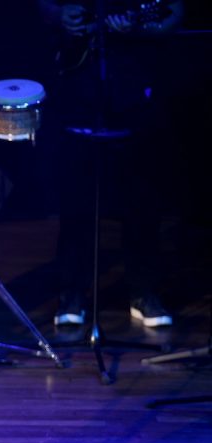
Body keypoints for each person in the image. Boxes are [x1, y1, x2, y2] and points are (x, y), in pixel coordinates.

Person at [37, 0, 184, 328]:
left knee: (142, 200)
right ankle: (72, 291)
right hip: (77, 86)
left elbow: (172, 10)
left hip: (133, 85)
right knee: (77, 201)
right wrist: (60, 15)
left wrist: (143, 26)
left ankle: (144, 292)